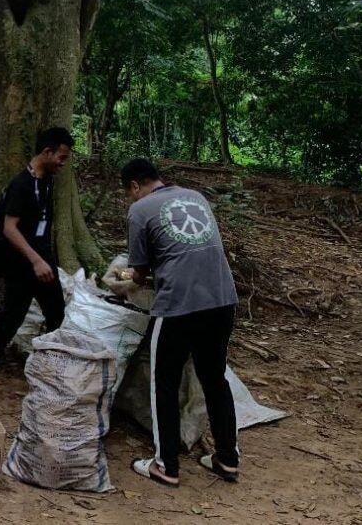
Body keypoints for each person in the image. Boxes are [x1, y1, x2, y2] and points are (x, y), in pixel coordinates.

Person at [120, 158, 240, 487]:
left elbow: (140, 272)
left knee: (164, 382)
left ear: (134, 186)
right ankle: (227, 458)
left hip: (178, 306)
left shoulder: (140, 209)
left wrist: (121, 277)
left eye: (129, 193)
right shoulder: (194, 196)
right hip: (221, 299)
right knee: (214, 378)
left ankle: (166, 464)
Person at [0, 127, 74, 413]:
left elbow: (41, 223)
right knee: (9, 322)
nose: (64, 162)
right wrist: (35, 261)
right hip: (21, 264)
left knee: (56, 315)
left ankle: (51, 378)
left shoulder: (48, 180)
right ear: (47, 152)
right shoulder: (22, 185)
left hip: (41, 258)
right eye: (61, 157)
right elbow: (9, 228)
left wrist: (46, 258)